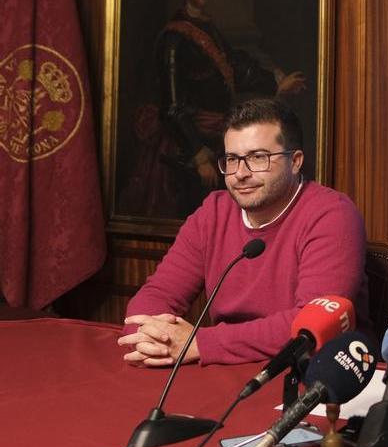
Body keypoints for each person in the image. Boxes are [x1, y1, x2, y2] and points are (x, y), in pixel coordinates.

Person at [118, 98, 369, 367]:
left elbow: (309, 326)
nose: (240, 173)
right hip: (227, 368)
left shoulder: (332, 215)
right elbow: (157, 294)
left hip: (315, 371)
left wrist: (201, 343)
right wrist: (148, 338)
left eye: (258, 157)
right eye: (232, 159)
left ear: (295, 161)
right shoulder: (213, 212)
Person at [121, 0, 307, 218]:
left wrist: (276, 82)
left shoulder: (208, 28)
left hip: (217, 138)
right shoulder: (174, 39)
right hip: (188, 143)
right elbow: (172, 108)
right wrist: (198, 155)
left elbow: (235, 68)